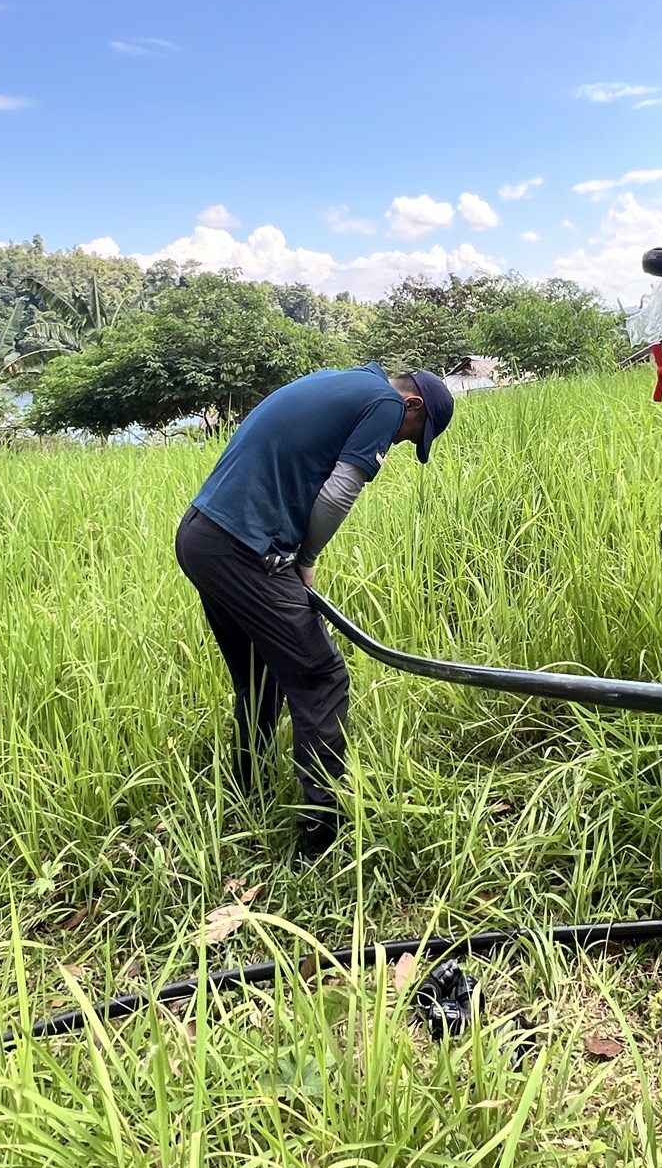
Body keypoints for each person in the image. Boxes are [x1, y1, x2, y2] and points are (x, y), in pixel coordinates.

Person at [174, 362, 456, 859]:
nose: (403, 443)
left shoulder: (345, 380)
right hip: (244, 547)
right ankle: (321, 836)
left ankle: (245, 794)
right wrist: (304, 559)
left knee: (259, 676)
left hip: (202, 535)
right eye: (413, 436)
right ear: (413, 406)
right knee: (321, 676)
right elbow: (339, 491)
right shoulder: (388, 404)